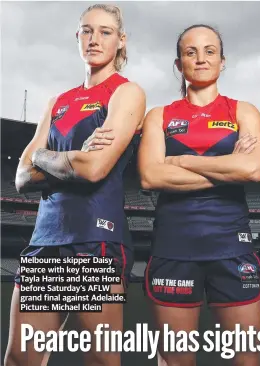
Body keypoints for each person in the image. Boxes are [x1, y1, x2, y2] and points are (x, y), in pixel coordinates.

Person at [4, 4, 145, 366]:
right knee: (21, 358)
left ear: (121, 40)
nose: (94, 39)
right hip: (45, 239)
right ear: (77, 37)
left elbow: (94, 168)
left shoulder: (125, 94)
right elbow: (21, 177)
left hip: (93, 238)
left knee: (98, 359)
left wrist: (43, 157)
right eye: (86, 30)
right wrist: (64, 159)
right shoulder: (58, 102)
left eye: (105, 31)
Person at [138, 24, 260, 366]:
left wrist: (182, 161)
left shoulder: (244, 111)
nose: (201, 59)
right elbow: (151, 175)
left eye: (210, 51)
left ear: (222, 62)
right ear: (179, 64)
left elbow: (253, 171)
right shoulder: (159, 116)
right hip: (173, 249)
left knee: (246, 361)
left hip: (232, 248)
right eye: (191, 52)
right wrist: (228, 168)